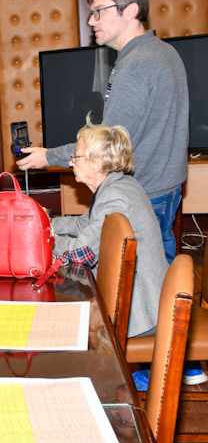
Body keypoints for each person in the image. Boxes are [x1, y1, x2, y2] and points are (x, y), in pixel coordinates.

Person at [18, 0, 189, 263]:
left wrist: (49, 156)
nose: (91, 21)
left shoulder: (135, 65)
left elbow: (106, 145)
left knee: (135, 279)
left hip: (143, 191)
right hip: (165, 186)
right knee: (159, 270)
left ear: (131, 10)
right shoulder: (164, 51)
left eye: (99, 11)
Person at [52, 123, 166, 340]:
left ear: (96, 164)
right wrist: (43, 224)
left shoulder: (115, 197)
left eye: (76, 156)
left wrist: (44, 239)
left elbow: (81, 253)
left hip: (139, 313)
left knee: (62, 328)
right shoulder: (120, 185)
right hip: (136, 300)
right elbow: (80, 224)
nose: (71, 162)